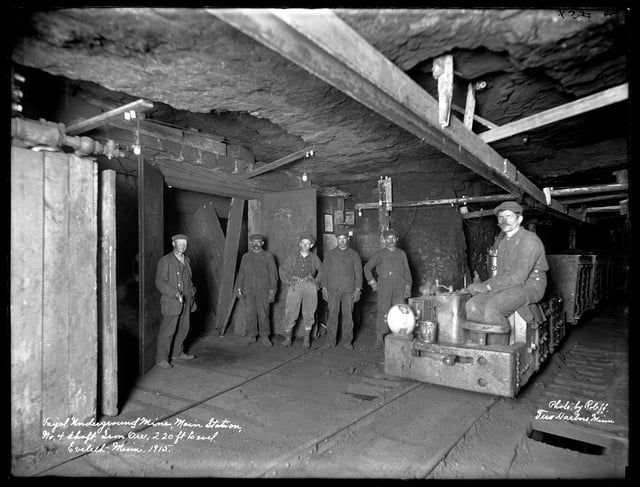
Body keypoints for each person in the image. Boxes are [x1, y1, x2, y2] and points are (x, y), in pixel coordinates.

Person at [464, 201, 548, 345]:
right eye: (501, 217)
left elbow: (519, 276)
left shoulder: (529, 240)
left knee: (494, 306)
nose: (504, 221)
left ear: (519, 219)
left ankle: (497, 353)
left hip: (531, 286)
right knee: (472, 304)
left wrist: (488, 287)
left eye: (508, 216)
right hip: (511, 285)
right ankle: (478, 346)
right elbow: (501, 275)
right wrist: (483, 285)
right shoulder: (503, 243)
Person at [363, 228, 412, 350]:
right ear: (384, 240)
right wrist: (372, 282)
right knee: (383, 312)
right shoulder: (381, 254)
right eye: (388, 239)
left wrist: (408, 286)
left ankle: (399, 336)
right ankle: (379, 337)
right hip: (384, 286)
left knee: (400, 312)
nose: (391, 241)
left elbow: (407, 271)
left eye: (393, 238)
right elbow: (367, 267)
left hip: (399, 287)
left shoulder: (401, 254)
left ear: (397, 240)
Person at [155, 234, 197, 369]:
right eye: (179, 243)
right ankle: (161, 358)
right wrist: (174, 293)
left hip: (186, 300)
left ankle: (177, 353)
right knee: (168, 331)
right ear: (173, 244)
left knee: (184, 328)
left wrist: (192, 293)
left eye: (184, 244)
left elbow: (188, 280)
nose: (182, 246)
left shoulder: (187, 260)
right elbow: (160, 282)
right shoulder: (165, 261)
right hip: (172, 301)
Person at [320, 227, 363, 349]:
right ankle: (330, 341)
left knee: (348, 317)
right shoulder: (330, 254)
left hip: (349, 291)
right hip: (333, 290)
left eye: (344, 239)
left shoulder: (354, 255)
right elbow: (325, 272)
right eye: (340, 239)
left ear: (347, 239)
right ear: (336, 240)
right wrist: (324, 288)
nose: (342, 241)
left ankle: (347, 341)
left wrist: (358, 290)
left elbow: (358, 273)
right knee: (332, 316)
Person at [279, 234, 323, 348]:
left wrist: (316, 282)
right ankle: (288, 338)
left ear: (311, 245)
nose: (305, 245)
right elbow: (282, 269)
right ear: (299, 244)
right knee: (290, 312)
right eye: (303, 243)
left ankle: (307, 339)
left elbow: (323, 271)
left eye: (307, 243)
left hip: (309, 286)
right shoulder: (292, 257)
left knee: (309, 312)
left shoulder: (314, 258)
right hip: (295, 286)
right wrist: (289, 280)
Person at [236, 234, 278, 347]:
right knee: (250, 313)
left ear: (262, 243)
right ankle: (251, 335)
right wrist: (239, 288)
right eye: (253, 242)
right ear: (251, 243)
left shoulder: (268, 256)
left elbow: (274, 276)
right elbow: (241, 273)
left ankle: (265, 336)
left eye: (258, 242)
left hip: (263, 290)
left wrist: (272, 291)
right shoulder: (246, 256)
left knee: (263, 314)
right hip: (248, 290)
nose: (256, 244)